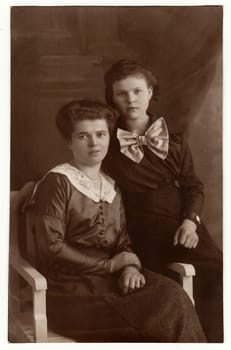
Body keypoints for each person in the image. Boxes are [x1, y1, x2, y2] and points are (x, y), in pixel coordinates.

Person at [28, 99, 206, 342]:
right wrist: (111, 267)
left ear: (109, 137)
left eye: (101, 134)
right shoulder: (57, 182)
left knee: (174, 294)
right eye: (83, 136)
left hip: (112, 282)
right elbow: (50, 248)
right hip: (69, 292)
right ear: (68, 142)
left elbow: (123, 243)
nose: (94, 143)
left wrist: (130, 267)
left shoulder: (111, 186)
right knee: (164, 311)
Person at [103, 59, 223, 342]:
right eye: (121, 93)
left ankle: (215, 341)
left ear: (150, 92)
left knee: (218, 270)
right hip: (139, 228)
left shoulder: (175, 140)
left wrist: (190, 222)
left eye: (137, 91)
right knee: (156, 292)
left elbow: (193, 186)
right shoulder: (107, 141)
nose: (130, 99)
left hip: (182, 225)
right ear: (112, 97)